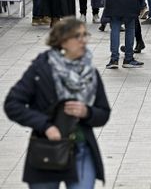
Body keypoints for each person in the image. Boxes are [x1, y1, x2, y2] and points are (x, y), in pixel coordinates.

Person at [4, 18, 111, 188]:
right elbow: (12, 104)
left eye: (85, 35)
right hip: (47, 149)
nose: (83, 40)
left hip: (80, 149)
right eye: (77, 36)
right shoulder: (41, 69)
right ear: (63, 41)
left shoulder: (90, 73)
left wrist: (87, 112)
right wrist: (45, 126)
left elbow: (104, 113)